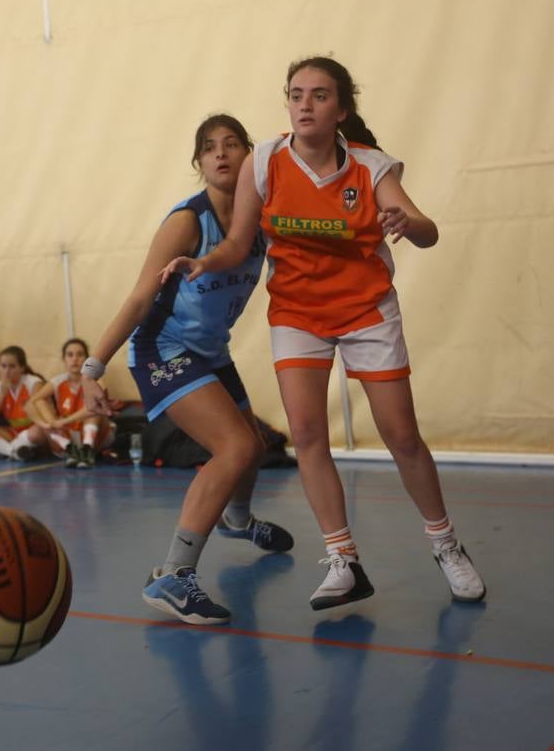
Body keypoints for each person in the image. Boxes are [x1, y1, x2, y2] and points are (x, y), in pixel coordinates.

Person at [160, 57, 486, 608]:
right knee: (307, 435)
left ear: (341, 107)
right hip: (297, 315)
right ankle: (343, 560)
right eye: (295, 95)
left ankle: (446, 544)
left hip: (366, 310)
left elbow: (427, 231)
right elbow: (239, 244)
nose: (304, 104)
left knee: (401, 436)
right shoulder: (264, 161)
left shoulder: (371, 167)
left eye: (317, 95)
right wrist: (204, 262)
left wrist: (408, 224)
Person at [82, 114, 294, 626]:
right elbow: (139, 298)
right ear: (198, 163)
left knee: (257, 445)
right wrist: (92, 369)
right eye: (209, 148)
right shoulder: (186, 223)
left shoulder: (258, 224)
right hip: (161, 349)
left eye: (232, 144)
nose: (221, 154)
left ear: (250, 156)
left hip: (210, 351)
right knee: (236, 448)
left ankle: (237, 520)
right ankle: (172, 576)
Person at [29, 337, 114, 468]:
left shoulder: (94, 379)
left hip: (96, 435)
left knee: (94, 411)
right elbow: (31, 403)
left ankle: (87, 451)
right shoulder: (57, 381)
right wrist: (47, 422)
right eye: (70, 355)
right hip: (68, 436)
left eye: (80, 354)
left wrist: (64, 421)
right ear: (64, 360)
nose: (75, 359)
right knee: (41, 407)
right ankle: (70, 451)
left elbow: (98, 407)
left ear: (87, 360)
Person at [0, 346, 49, 460]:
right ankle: (14, 452)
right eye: (3, 366)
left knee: (37, 433)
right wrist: (2, 394)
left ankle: (2, 449)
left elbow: (41, 416)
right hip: (12, 432)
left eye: (12, 366)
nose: (7, 371)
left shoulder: (33, 383)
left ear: (22, 368)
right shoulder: (0, 386)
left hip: (32, 430)